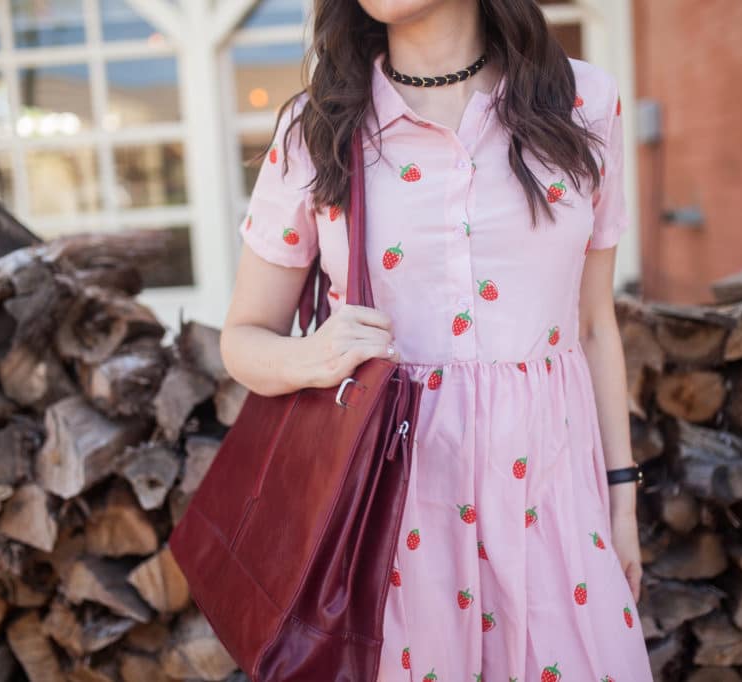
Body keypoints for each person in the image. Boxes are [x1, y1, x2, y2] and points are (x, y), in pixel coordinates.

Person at [220, 0, 654, 679]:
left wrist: (621, 502)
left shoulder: (584, 102)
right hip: (394, 526)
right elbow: (243, 338)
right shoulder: (319, 127)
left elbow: (595, 323)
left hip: (554, 513)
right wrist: (314, 355)